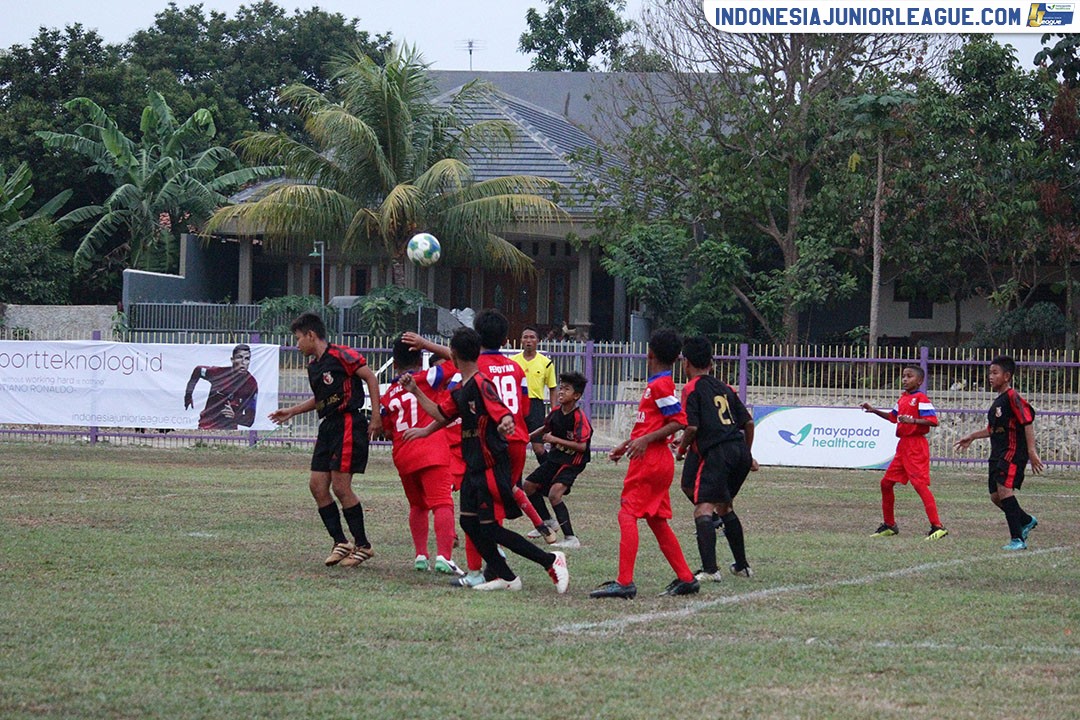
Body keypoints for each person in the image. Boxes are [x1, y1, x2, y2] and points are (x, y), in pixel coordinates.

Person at [401, 327, 569, 593]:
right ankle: (506, 577)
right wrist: (417, 398)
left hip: (491, 464)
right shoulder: (462, 387)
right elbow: (442, 414)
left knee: (489, 527)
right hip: (473, 464)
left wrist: (505, 423)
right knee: (469, 522)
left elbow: (501, 411)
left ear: (453, 355)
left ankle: (550, 560)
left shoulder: (482, 384)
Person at [405, 312, 557, 543]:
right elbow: (524, 409)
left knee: (478, 505)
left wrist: (424, 347)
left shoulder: (473, 371)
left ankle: (495, 554)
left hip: (487, 442)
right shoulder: (516, 368)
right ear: (505, 340)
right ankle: (540, 525)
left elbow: (447, 407)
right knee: (505, 488)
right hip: (516, 439)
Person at [590, 329, 699, 599]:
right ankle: (686, 578)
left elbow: (680, 421)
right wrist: (627, 443)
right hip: (657, 458)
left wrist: (644, 441)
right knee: (657, 520)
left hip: (650, 460)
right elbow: (651, 425)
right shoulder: (658, 384)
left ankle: (625, 582)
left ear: (649, 353)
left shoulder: (660, 385)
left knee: (627, 514)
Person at [268, 313, 383, 568]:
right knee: (317, 486)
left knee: (341, 487)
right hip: (328, 426)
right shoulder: (314, 367)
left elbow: (370, 377)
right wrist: (292, 411)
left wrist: (376, 416)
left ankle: (363, 545)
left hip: (348, 422)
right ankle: (341, 542)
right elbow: (320, 399)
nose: (296, 344)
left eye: (298, 338)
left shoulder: (342, 354)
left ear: (311, 335)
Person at [675, 336, 758, 582]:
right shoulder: (726, 388)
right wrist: (748, 454)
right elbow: (748, 423)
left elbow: (691, 427)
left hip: (718, 452)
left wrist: (681, 449)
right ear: (711, 363)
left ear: (686, 363)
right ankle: (742, 566)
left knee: (703, 508)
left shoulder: (691, 389)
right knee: (723, 505)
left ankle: (710, 570)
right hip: (737, 450)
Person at [380, 336, 463, 576]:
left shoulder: (389, 394)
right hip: (432, 450)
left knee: (417, 505)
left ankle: (420, 555)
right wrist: (426, 344)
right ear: (420, 359)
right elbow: (457, 360)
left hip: (404, 453)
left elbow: (387, 430)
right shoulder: (429, 377)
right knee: (442, 503)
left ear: (395, 364)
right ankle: (444, 557)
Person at [954, 355, 1043, 550]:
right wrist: (972, 436)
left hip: (1012, 452)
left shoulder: (1013, 397)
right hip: (997, 453)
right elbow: (993, 429)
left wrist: (1031, 451)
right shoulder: (999, 401)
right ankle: (1026, 520)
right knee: (995, 496)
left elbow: (1027, 421)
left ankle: (1017, 539)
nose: (990, 377)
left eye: (995, 373)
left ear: (1007, 376)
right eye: (989, 373)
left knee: (1004, 491)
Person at [861, 365, 949, 541]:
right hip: (903, 447)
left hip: (916, 446)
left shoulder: (921, 399)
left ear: (920, 381)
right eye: (903, 376)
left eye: (909, 376)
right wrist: (874, 410)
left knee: (919, 485)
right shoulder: (903, 398)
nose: (905, 379)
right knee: (886, 483)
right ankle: (889, 525)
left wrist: (913, 421)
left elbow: (933, 421)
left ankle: (938, 527)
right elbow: (893, 417)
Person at [522, 371, 592, 550]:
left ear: (576, 396)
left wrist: (555, 440)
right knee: (528, 486)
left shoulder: (579, 417)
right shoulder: (555, 412)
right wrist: (526, 438)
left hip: (573, 461)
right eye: (561, 388)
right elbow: (545, 428)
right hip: (556, 458)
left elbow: (582, 446)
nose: (561, 392)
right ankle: (547, 522)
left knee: (554, 494)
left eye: (566, 389)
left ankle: (571, 538)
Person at [511, 325, 560, 535]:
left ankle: (550, 475)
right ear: (521, 340)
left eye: (532, 337)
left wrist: (554, 411)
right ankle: (516, 481)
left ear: (537, 341)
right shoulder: (514, 362)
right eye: (525, 337)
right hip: (518, 406)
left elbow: (553, 388)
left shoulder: (545, 362)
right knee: (517, 446)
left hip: (536, 406)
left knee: (539, 448)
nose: (528, 340)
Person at [184, 344, 259, 429]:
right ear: (232, 360)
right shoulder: (218, 373)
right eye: (239, 357)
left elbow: (249, 420)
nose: (243, 362)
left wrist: (235, 416)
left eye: (247, 359)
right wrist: (188, 395)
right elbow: (198, 370)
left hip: (229, 430)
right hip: (207, 426)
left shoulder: (251, 384)